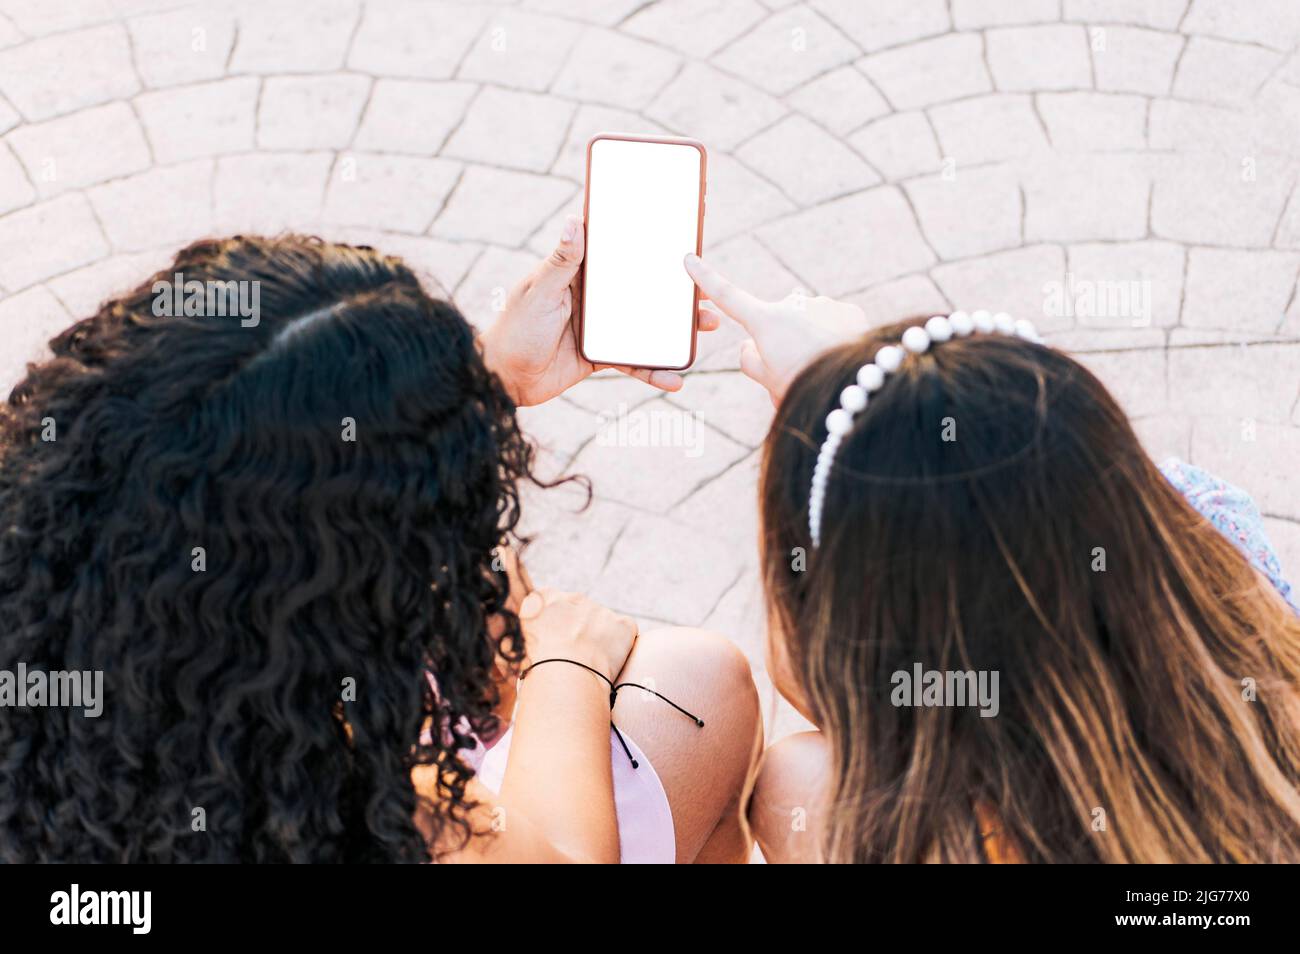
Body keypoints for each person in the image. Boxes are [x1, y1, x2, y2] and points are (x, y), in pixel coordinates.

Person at [0, 224, 760, 864]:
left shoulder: (84, 618)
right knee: (702, 686)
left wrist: (470, 393)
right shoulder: (313, 793)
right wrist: (570, 661)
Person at [684, 254, 1300, 863]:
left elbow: (809, 673)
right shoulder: (1206, 527)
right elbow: (1027, 480)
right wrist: (867, 395)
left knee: (797, 779)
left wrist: (843, 419)